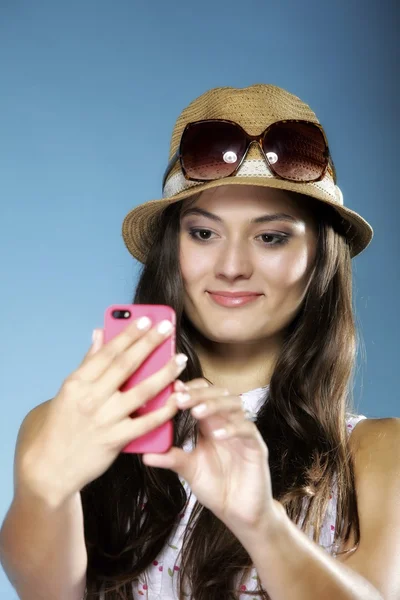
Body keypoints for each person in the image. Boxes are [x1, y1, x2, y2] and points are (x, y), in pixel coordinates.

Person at [1, 83, 399, 600]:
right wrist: (44, 490)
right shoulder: (67, 428)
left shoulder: (376, 454)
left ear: (321, 258)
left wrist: (261, 524)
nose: (232, 267)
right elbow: (49, 593)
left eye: (271, 236)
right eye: (204, 233)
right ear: (172, 248)